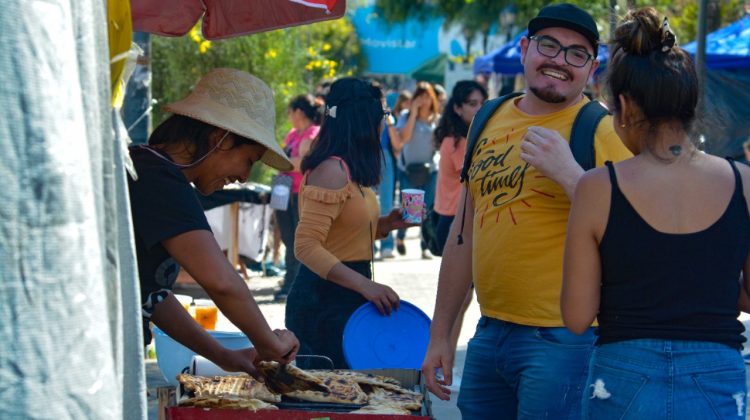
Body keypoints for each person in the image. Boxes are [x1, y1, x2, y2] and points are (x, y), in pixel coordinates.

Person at [421, 4, 632, 419]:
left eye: (577, 54)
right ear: (524, 48)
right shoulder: (488, 116)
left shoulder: (601, 129)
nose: (560, 61)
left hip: (566, 341)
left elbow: (637, 236)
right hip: (488, 334)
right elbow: (463, 236)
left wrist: (572, 176)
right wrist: (440, 335)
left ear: (591, 69)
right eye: (549, 45)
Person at [561, 8, 750, 419]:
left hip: (622, 375)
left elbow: (576, 317)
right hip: (716, 371)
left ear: (625, 106)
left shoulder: (598, 187)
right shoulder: (744, 183)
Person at [127, 68, 299, 377]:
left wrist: (225, 356)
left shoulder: (153, 169)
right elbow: (221, 283)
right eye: (248, 160)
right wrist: (269, 343)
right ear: (219, 139)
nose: (244, 177)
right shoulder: (158, 178)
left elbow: (152, 295)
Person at [285, 78, 417, 368]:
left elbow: (343, 233)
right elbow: (306, 246)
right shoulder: (331, 170)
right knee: (329, 403)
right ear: (363, 121)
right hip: (323, 301)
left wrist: (385, 225)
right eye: (383, 115)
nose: (384, 124)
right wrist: (365, 286)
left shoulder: (348, 168)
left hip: (347, 297)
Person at [273, 94, 321, 302]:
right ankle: (290, 280)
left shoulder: (313, 133)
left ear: (299, 112)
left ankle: (296, 284)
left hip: (301, 192)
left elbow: (302, 163)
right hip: (283, 189)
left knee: (299, 240)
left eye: (291, 112)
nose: (289, 116)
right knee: (287, 237)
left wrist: (281, 161)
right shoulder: (293, 134)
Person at [433, 80, 487, 253]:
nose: (479, 108)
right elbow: (481, 176)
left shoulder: (460, 138)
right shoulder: (457, 142)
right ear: (457, 108)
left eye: (483, 103)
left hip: (456, 218)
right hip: (455, 220)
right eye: (472, 104)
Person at [394, 82, 441, 259]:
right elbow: (403, 139)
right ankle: (400, 237)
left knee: (427, 210)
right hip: (409, 170)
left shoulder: (436, 119)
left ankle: (425, 246)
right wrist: (413, 112)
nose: (424, 100)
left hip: (431, 170)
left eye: (427, 96)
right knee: (412, 214)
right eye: (420, 96)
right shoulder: (406, 116)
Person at [377, 90, 412, 259]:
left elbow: (397, 145)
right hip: (370, 156)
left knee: (385, 203)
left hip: (384, 158)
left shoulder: (389, 117)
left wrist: (389, 122)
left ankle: (386, 244)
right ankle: (374, 245)